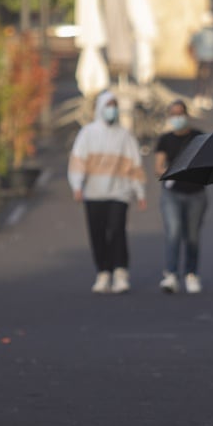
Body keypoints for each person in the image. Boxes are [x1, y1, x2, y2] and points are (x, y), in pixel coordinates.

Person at [68, 91, 147, 294]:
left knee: (117, 230)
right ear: (101, 108)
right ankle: (103, 272)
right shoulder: (88, 133)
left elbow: (134, 164)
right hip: (93, 194)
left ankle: (120, 271)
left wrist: (139, 192)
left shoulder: (124, 135)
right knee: (97, 233)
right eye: (108, 105)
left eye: (114, 105)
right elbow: (78, 161)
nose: (112, 109)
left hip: (119, 193)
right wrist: (77, 185)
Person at [153, 100, 208, 294]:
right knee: (173, 232)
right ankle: (171, 274)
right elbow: (158, 167)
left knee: (192, 236)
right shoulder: (165, 139)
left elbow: (207, 162)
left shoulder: (198, 137)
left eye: (180, 113)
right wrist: (174, 171)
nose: (177, 118)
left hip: (196, 193)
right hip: (172, 193)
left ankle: (191, 273)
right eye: (173, 114)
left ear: (187, 115)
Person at [189, 12, 213, 105]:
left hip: (201, 58)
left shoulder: (199, 33)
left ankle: (199, 96)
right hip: (211, 58)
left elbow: (192, 43)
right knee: (209, 78)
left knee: (200, 78)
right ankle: (207, 97)